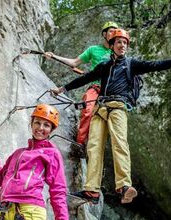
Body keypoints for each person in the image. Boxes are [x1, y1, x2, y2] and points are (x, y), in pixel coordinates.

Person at [51, 28, 171, 204]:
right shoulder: (104, 66)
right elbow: (86, 78)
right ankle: (91, 191)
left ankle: (124, 186)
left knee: (119, 144)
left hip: (118, 107)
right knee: (93, 147)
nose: (122, 45)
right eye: (118, 42)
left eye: (124, 43)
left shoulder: (131, 64)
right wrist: (62, 89)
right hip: (100, 108)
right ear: (112, 46)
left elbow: (155, 65)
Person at [45, 21, 118, 151]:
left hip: (112, 91)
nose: (114, 34)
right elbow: (74, 62)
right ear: (104, 34)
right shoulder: (94, 50)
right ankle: (79, 144)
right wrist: (53, 56)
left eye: (115, 31)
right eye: (111, 31)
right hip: (95, 88)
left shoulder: (118, 52)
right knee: (88, 111)